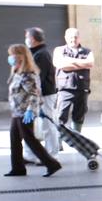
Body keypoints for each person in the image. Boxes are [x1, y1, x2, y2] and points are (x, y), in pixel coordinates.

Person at [6, 43, 62, 178]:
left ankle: (52, 164)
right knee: (14, 139)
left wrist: (30, 111)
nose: (10, 57)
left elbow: (34, 94)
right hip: (17, 112)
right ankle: (18, 168)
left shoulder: (28, 74)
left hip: (25, 113)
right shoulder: (17, 72)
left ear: (20, 56)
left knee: (30, 139)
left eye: (12, 54)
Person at [23, 27, 60, 160]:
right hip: (37, 95)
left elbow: (38, 78)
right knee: (30, 125)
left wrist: (33, 95)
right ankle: (29, 154)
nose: (26, 39)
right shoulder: (36, 53)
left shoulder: (41, 55)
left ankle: (52, 154)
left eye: (27, 37)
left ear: (32, 39)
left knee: (47, 125)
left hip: (44, 95)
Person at [52, 27, 94, 132]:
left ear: (79, 38)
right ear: (66, 38)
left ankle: (77, 139)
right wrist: (81, 64)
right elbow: (60, 64)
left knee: (79, 115)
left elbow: (90, 63)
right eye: (70, 37)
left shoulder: (87, 51)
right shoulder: (59, 50)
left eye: (75, 37)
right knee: (61, 115)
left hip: (82, 88)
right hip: (65, 88)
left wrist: (69, 62)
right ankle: (58, 142)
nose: (73, 39)